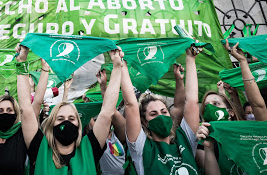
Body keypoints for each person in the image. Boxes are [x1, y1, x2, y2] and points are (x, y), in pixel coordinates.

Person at [17, 44, 123, 174]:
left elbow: (107, 113)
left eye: (71, 118)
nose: (66, 122)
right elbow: (26, 111)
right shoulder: (40, 148)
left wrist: (117, 67)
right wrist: (22, 62)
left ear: (79, 123)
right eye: (60, 118)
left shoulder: (89, 147)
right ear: (51, 123)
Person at [122, 47, 201, 175]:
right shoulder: (141, 148)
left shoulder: (185, 140)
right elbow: (130, 105)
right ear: (145, 122)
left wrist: (190, 58)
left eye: (164, 112)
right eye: (153, 114)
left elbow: (192, 101)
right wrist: (122, 65)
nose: (161, 116)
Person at [0, 52, 50, 175]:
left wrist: (44, 70)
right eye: (0, 111)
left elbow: (36, 103)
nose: (5, 113)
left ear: (16, 114)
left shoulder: (22, 135)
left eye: (9, 110)